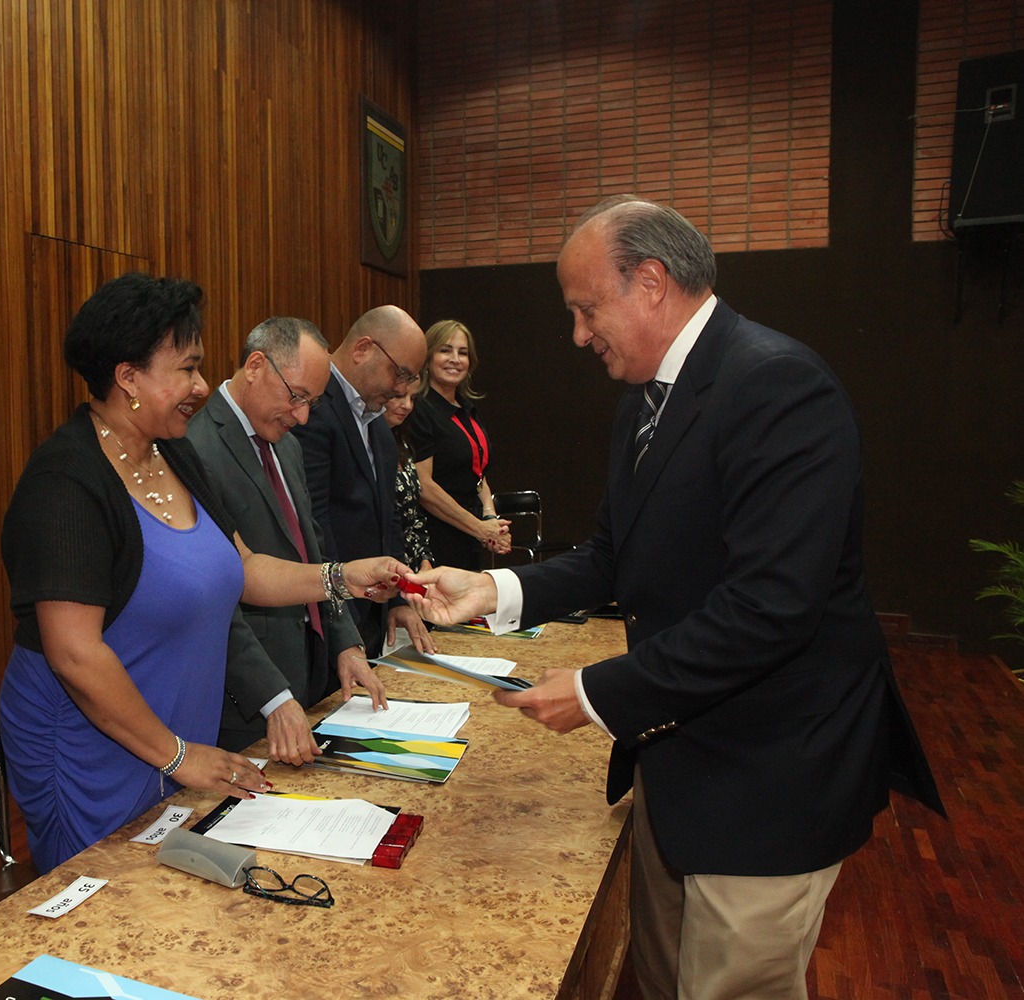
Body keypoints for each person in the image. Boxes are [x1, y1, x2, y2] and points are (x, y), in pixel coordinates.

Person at [404, 196, 944, 1000]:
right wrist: (491, 588)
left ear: (650, 283)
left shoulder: (779, 385)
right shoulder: (645, 397)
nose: (578, 334)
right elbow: (613, 556)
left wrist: (596, 693)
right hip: (677, 764)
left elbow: (770, 609)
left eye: (586, 310)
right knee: (661, 978)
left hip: (771, 778)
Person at [0, 274, 406, 874]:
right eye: (186, 369)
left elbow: (244, 571)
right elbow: (75, 654)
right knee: (104, 901)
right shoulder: (66, 482)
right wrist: (178, 755)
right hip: (91, 746)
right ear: (128, 376)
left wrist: (342, 577)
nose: (200, 386)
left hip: (174, 735)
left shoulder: (174, 452)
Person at [186, 316, 391, 757]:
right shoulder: (196, 449)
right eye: (296, 396)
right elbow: (216, 600)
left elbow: (311, 551)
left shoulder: (286, 445)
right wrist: (272, 696)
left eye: (311, 402)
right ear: (256, 365)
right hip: (245, 700)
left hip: (308, 676)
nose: (302, 416)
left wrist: (346, 643)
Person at [291, 305, 435, 658]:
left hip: (372, 612)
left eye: (410, 379)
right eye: (399, 373)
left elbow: (389, 517)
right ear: (363, 349)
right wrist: (342, 626)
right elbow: (314, 525)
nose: (400, 389)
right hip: (333, 617)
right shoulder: (315, 408)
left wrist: (398, 597)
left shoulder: (376, 422)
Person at [407, 319, 511, 570]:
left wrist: (490, 517)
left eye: (462, 353)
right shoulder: (419, 409)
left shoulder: (467, 408)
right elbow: (424, 487)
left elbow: (478, 472)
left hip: (469, 535)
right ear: (428, 358)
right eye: (445, 350)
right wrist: (480, 528)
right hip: (435, 537)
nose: (455, 359)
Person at [383, 385, 434, 572]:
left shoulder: (402, 442)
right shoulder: (369, 445)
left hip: (414, 563)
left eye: (412, 398)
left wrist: (425, 558)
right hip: (386, 563)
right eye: (398, 396)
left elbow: (414, 511)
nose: (407, 406)